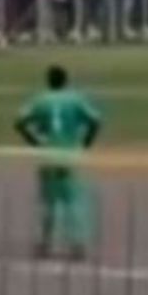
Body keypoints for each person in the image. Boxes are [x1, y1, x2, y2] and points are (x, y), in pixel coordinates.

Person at [15, 65, 102, 260]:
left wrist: (33, 141)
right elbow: (96, 121)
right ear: (66, 80)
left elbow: (19, 121)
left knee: (48, 201)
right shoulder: (75, 98)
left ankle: (45, 244)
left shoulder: (40, 100)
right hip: (69, 154)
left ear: (48, 80)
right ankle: (77, 244)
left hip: (47, 154)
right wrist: (87, 141)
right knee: (73, 200)